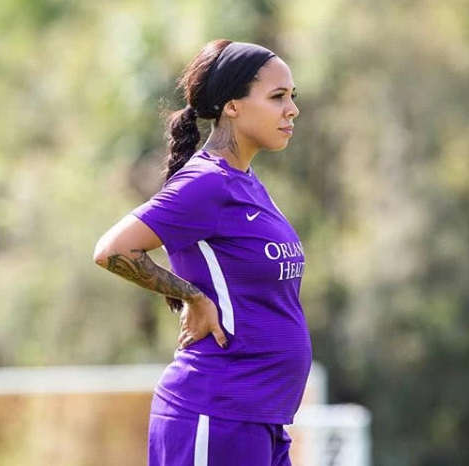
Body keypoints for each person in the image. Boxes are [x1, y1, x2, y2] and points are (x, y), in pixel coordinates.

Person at [93, 39, 311, 466]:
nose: (292, 110)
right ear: (232, 106)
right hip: (216, 414)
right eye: (277, 97)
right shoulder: (207, 182)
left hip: (260, 419)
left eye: (292, 96)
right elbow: (112, 250)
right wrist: (192, 296)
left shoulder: (248, 183)